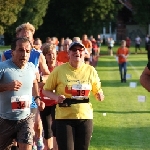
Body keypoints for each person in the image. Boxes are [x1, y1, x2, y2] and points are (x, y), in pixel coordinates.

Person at [42, 41, 104, 150]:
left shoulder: (91, 70)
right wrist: (56, 97)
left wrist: (100, 95)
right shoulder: (59, 70)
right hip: (64, 118)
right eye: (74, 50)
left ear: (84, 53)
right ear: (68, 53)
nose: (77, 52)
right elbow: (46, 91)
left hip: (85, 117)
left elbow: (98, 91)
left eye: (80, 50)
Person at [1, 22, 50, 150]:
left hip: (25, 116)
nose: (24, 54)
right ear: (12, 52)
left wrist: (37, 98)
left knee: (27, 144)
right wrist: (7, 87)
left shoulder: (32, 66)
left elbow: (34, 81)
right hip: (5, 118)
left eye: (27, 51)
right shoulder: (3, 67)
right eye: (21, 51)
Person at [39, 44, 62, 150]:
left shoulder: (61, 67)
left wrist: (45, 81)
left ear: (56, 54)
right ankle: (48, 148)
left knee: (56, 128)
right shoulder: (41, 68)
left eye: (53, 54)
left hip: (56, 102)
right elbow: (37, 84)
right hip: (44, 102)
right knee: (47, 129)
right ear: (44, 56)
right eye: (48, 54)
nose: (51, 56)